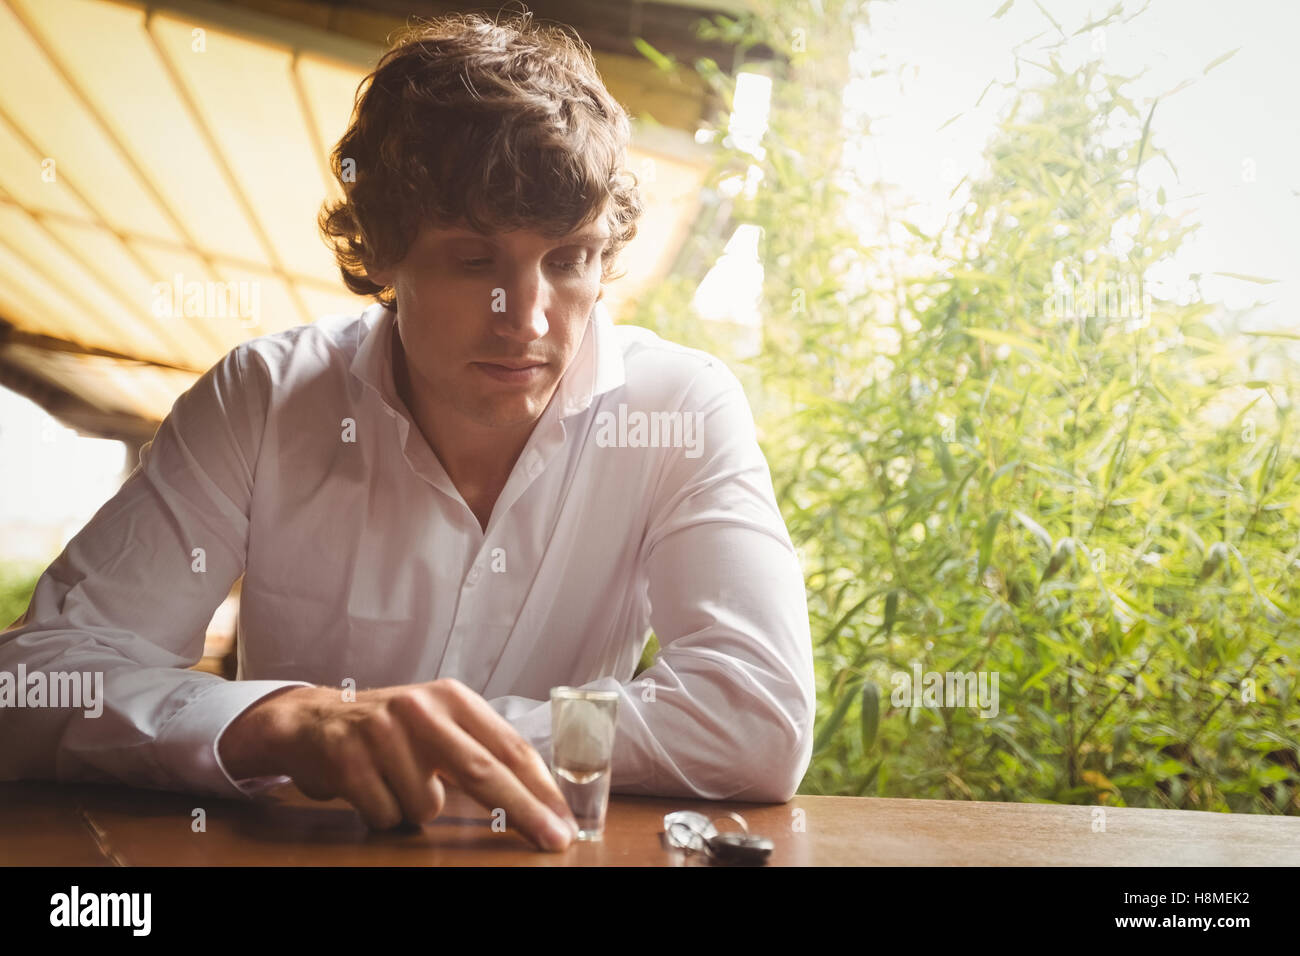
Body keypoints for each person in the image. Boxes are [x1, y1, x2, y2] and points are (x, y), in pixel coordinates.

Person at [0, 11, 814, 853]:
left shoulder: (679, 408)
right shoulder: (263, 399)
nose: (528, 320)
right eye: (473, 260)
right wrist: (280, 721)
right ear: (384, 252)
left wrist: (404, 738)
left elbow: (755, 714)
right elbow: (26, 684)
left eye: (568, 259)